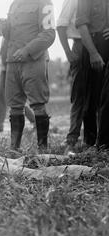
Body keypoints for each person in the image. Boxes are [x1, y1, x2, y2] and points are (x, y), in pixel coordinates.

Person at [3, 0, 56, 152]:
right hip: (12, 60)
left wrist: (27, 50)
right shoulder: (14, 4)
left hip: (34, 60)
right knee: (15, 106)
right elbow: (10, 35)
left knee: (38, 104)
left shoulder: (44, 3)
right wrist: (5, 28)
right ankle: (14, 148)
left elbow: (49, 34)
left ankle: (43, 148)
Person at [0, 19, 36, 134]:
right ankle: (0, 125)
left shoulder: (9, 37)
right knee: (4, 98)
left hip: (9, 69)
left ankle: (34, 120)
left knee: (14, 100)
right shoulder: (5, 39)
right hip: (5, 69)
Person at [57, 0, 92, 155]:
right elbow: (61, 26)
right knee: (79, 95)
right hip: (79, 45)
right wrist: (68, 53)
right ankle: (72, 140)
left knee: (96, 97)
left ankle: (91, 140)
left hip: (98, 44)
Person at [76, 0, 109, 151]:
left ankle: (103, 143)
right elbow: (82, 26)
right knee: (91, 97)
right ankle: (90, 142)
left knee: (107, 97)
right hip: (93, 45)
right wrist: (93, 53)